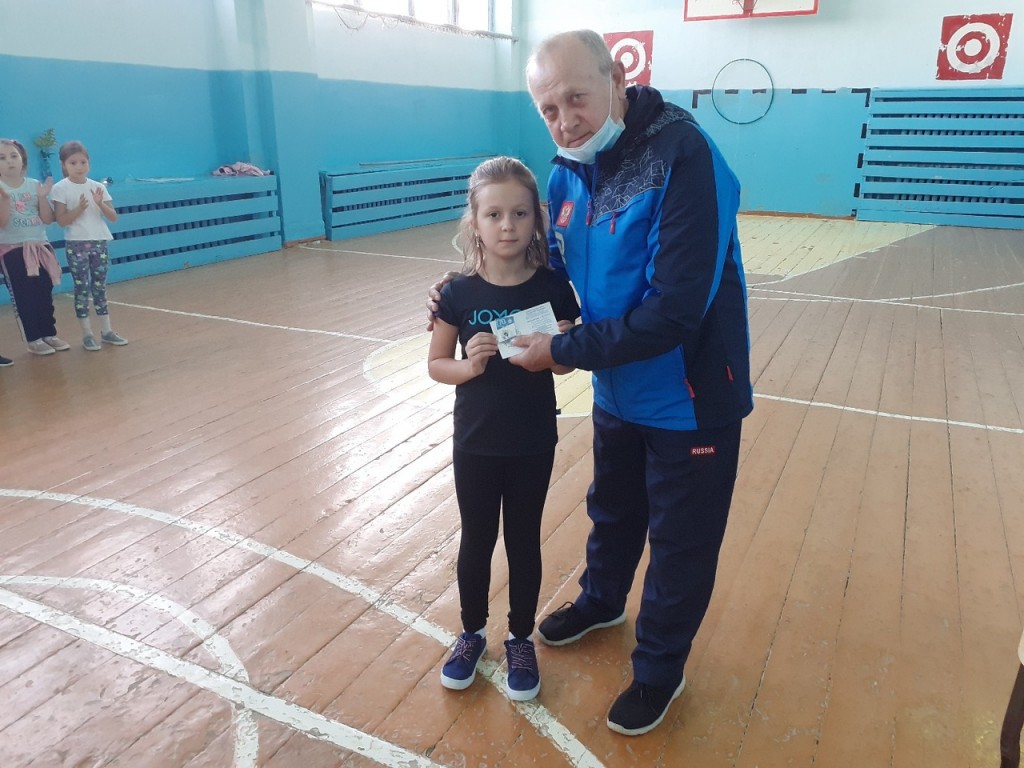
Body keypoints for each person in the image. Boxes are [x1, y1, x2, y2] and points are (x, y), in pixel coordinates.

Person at [429, 28, 753, 736]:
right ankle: (603, 599)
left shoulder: (684, 155)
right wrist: (461, 289)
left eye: (576, 98)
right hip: (616, 390)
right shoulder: (567, 173)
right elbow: (538, 277)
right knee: (614, 509)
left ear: (617, 80)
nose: (565, 120)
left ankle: (659, 670)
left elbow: (675, 310)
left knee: (680, 544)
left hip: (689, 397)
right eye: (548, 109)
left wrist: (565, 348)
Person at [428, 156, 581, 702]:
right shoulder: (457, 293)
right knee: (477, 538)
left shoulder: (554, 288)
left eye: (520, 213)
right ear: (474, 221)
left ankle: (519, 638)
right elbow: (436, 365)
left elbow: (563, 368)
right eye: (494, 214)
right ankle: (471, 632)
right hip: (475, 442)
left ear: (536, 219)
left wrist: (559, 346)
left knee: (522, 539)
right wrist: (469, 366)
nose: (508, 226)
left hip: (533, 440)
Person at [50, 141, 127, 350]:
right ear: (64, 164)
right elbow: (61, 220)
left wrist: (100, 203)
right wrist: (79, 209)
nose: (79, 166)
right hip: (76, 244)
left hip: (99, 242)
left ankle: (107, 331)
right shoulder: (60, 188)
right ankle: (87, 334)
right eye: (73, 162)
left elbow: (113, 217)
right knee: (82, 287)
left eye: (83, 162)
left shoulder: (98, 187)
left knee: (99, 287)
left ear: (89, 163)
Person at [0, 138, 69, 357]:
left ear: (23, 160)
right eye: (2, 158)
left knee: (44, 292)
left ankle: (49, 333)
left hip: (40, 245)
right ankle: (33, 339)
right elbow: (2, 223)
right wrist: (4, 201)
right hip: (12, 249)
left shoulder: (33, 185)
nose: (9, 161)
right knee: (25, 296)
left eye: (14, 156)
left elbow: (47, 219)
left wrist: (41, 198)